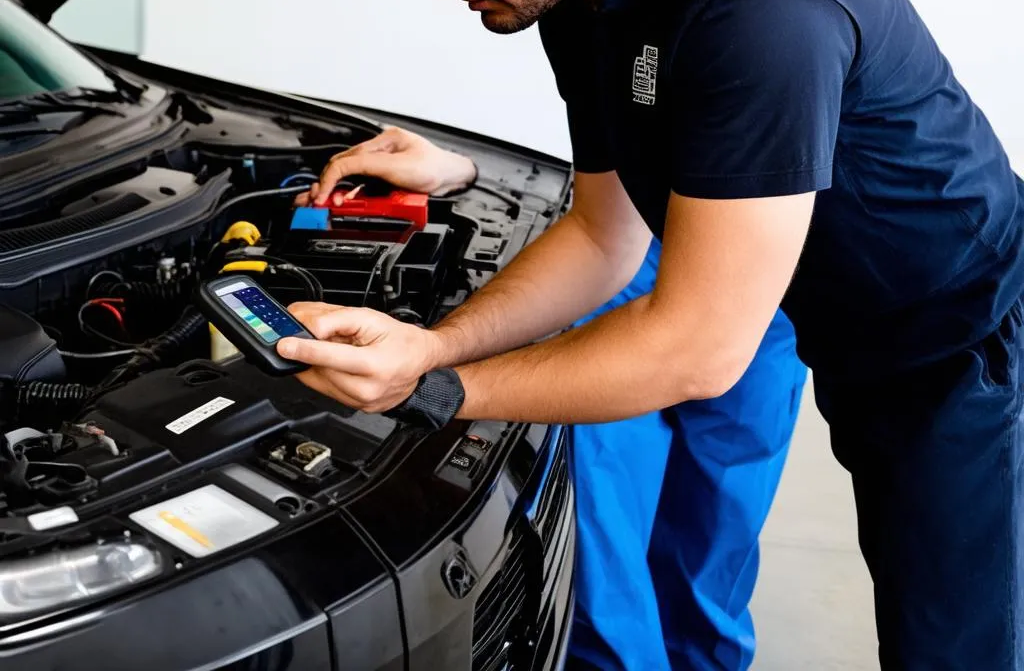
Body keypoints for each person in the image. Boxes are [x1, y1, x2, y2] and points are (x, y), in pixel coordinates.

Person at [281, 0, 1024, 669]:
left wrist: (439, 390)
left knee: (953, 648)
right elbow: (602, 236)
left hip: (961, 342)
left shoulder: (752, 6)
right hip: (846, 325)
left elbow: (697, 349)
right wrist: (436, 344)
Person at [297, 126, 805, 670]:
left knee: (722, 518)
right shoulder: (585, 45)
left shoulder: (763, 45)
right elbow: (603, 202)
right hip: (627, 251)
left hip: (770, 257)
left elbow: (696, 350)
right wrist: (464, 172)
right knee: (600, 543)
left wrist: (438, 388)